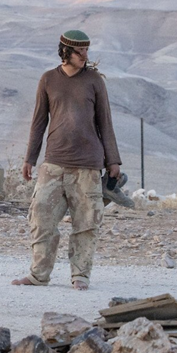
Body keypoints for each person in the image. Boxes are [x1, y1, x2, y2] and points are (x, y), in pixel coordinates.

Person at [12, 30, 120, 291]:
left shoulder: (94, 81)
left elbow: (105, 122)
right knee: (41, 217)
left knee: (86, 222)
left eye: (87, 50)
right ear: (65, 52)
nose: (85, 56)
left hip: (88, 164)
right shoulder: (48, 79)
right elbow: (39, 122)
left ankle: (80, 276)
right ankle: (38, 275)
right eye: (79, 51)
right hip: (54, 162)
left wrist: (113, 161)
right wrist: (30, 158)